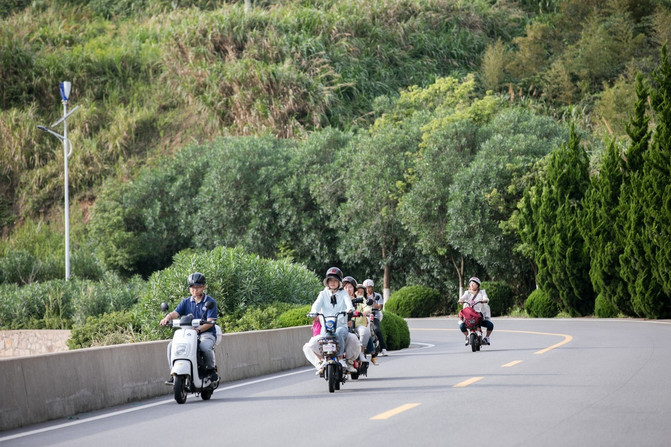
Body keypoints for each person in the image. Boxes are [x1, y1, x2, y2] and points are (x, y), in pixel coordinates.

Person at [160, 272, 219, 384]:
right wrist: (167, 318)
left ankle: (211, 370)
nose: (195, 290)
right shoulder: (186, 302)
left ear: (204, 287)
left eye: (198, 287)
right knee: (171, 346)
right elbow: (175, 313)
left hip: (206, 334)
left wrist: (198, 329)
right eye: (192, 287)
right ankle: (174, 373)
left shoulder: (210, 302)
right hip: (188, 334)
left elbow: (210, 322)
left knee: (204, 347)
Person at [303, 267, 358, 374]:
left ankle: (341, 358)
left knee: (341, 333)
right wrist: (313, 312)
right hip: (326, 326)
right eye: (330, 280)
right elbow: (316, 305)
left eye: (335, 280)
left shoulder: (344, 293)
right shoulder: (323, 294)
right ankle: (322, 362)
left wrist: (349, 309)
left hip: (341, 325)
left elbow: (348, 304)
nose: (333, 283)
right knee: (312, 344)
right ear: (327, 282)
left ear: (339, 282)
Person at [458, 276, 493, 345]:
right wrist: (461, 300)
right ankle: (467, 336)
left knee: (490, 325)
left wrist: (484, 300)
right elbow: (462, 298)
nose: (471, 284)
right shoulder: (467, 293)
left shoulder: (482, 292)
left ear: (477, 285)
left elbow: (485, 298)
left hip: (479, 315)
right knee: (462, 326)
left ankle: (487, 338)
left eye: (473, 283)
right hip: (468, 315)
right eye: (470, 283)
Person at [355, 283, 379, 365]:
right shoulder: (346, 299)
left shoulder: (363, 300)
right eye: (358, 292)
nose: (360, 293)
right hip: (349, 323)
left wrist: (366, 312)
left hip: (362, 322)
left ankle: (372, 354)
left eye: (362, 292)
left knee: (367, 333)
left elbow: (367, 308)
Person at [363, 279, 388, 356]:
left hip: (374, 315)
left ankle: (383, 348)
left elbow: (380, 306)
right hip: (364, 316)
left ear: (372, 287)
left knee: (377, 330)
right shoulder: (362, 296)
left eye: (369, 287)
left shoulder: (377, 295)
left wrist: (372, 303)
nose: (367, 289)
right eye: (366, 288)